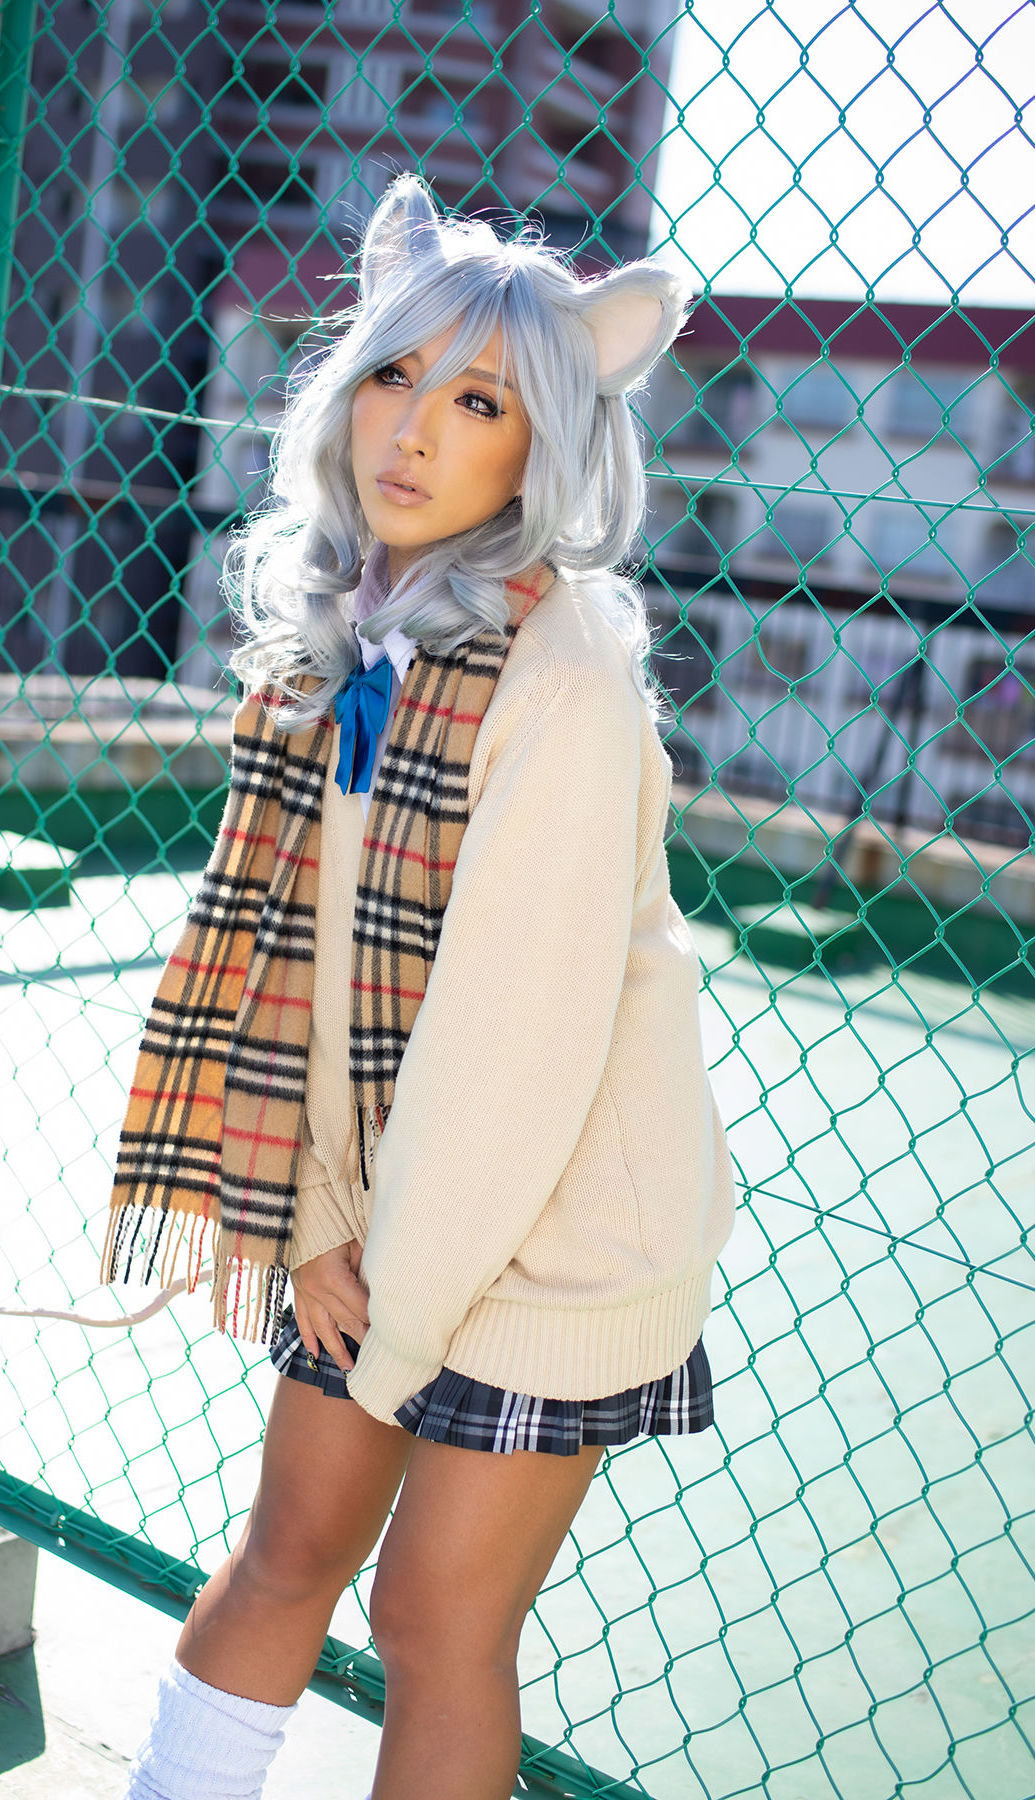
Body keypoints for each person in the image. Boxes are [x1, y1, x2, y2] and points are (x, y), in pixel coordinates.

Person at [102, 171, 736, 1800]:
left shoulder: (565, 684)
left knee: (436, 1620)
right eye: (395, 375)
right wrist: (320, 1216)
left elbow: (508, 1063)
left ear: (546, 445)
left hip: (560, 1232)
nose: (416, 431)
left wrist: (386, 1322)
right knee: (287, 1552)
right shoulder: (364, 641)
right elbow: (311, 969)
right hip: (390, 1202)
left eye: (480, 403)